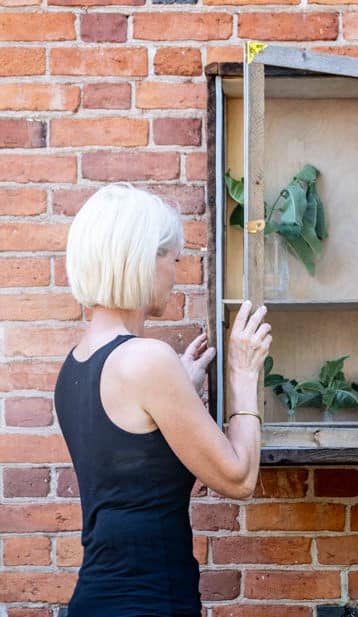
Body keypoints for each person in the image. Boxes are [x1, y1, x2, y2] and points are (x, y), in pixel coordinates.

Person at [54, 183, 271, 617]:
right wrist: (244, 374)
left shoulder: (74, 366)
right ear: (143, 260)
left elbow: (134, 471)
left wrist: (183, 387)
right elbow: (239, 478)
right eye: (173, 259)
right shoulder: (146, 360)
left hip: (97, 599)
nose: (176, 272)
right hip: (147, 604)